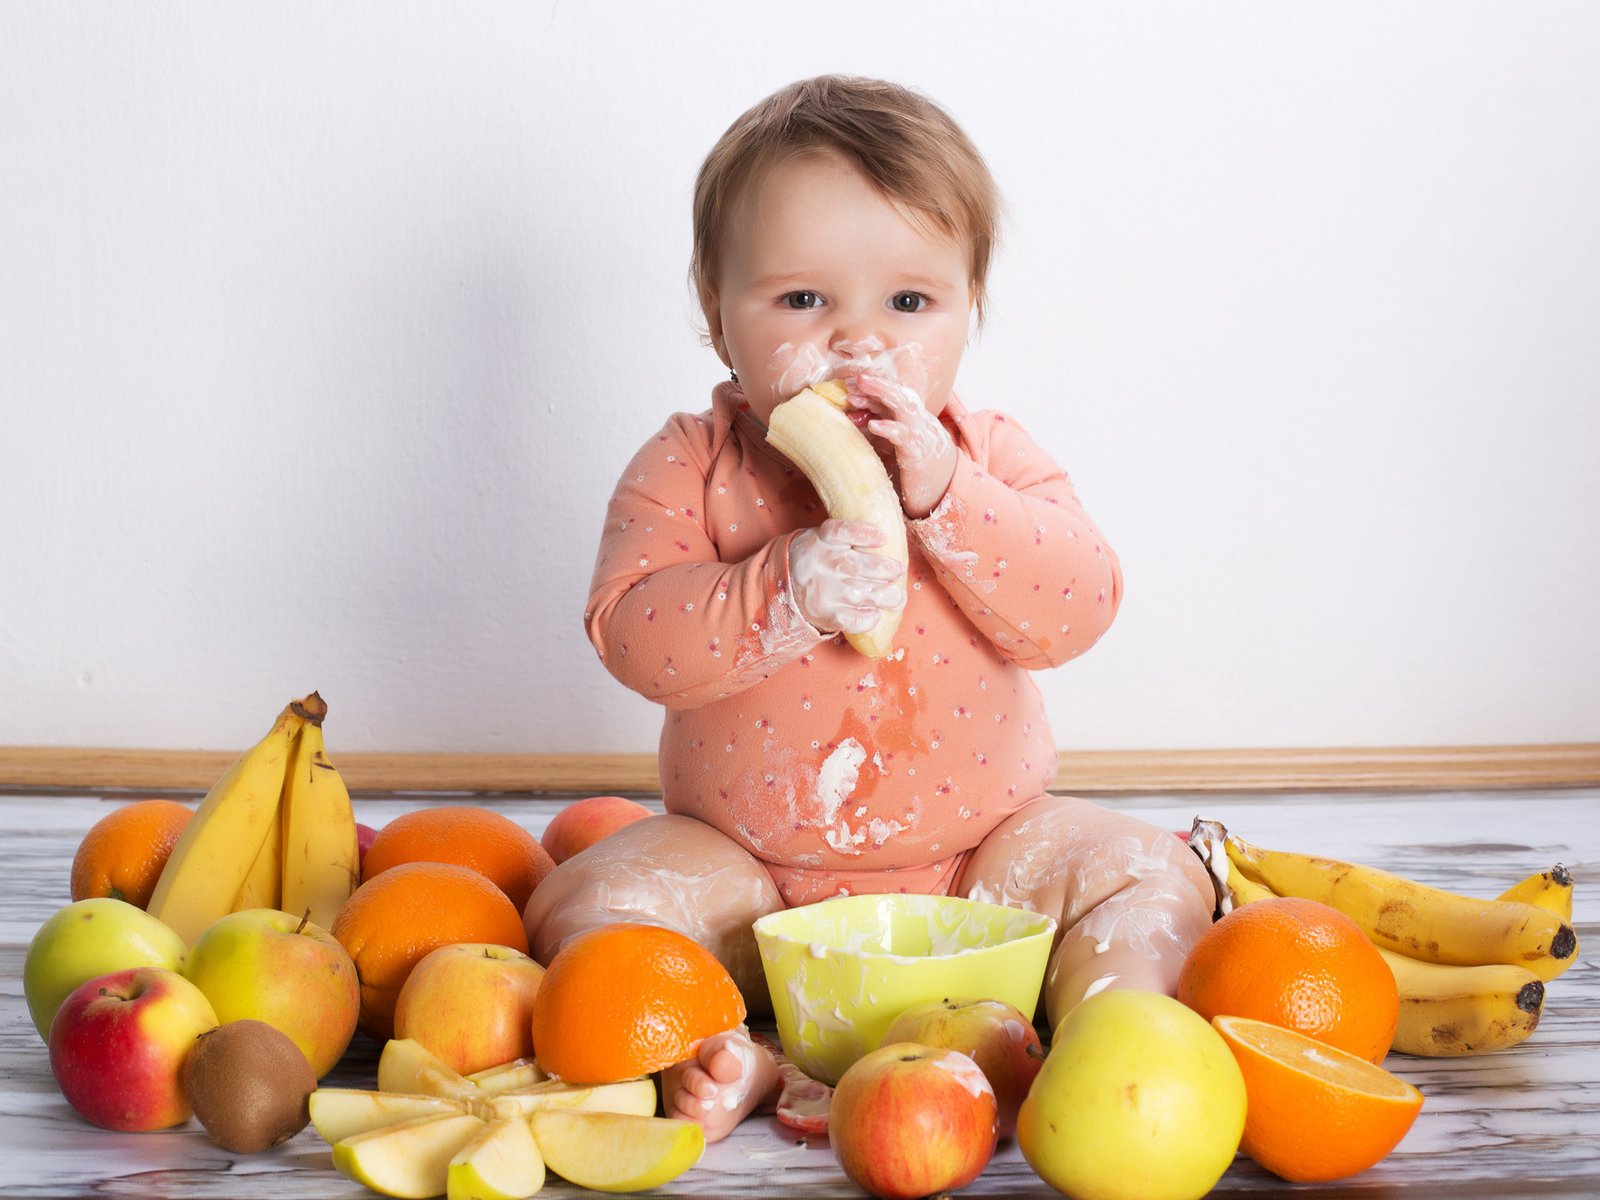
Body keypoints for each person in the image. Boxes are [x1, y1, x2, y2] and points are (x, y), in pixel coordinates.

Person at [523, 74, 1215, 1142]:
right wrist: (784, 586)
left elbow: (1079, 603)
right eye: (803, 301)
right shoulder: (689, 463)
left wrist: (950, 500)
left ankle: (1105, 1039)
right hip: (749, 877)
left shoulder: (988, 457)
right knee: (582, 909)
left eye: (908, 303)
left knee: (1149, 872)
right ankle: (729, 1044)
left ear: (967, 308)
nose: (858, 343)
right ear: (717, 314)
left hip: (987, 867)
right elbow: (629, 632)